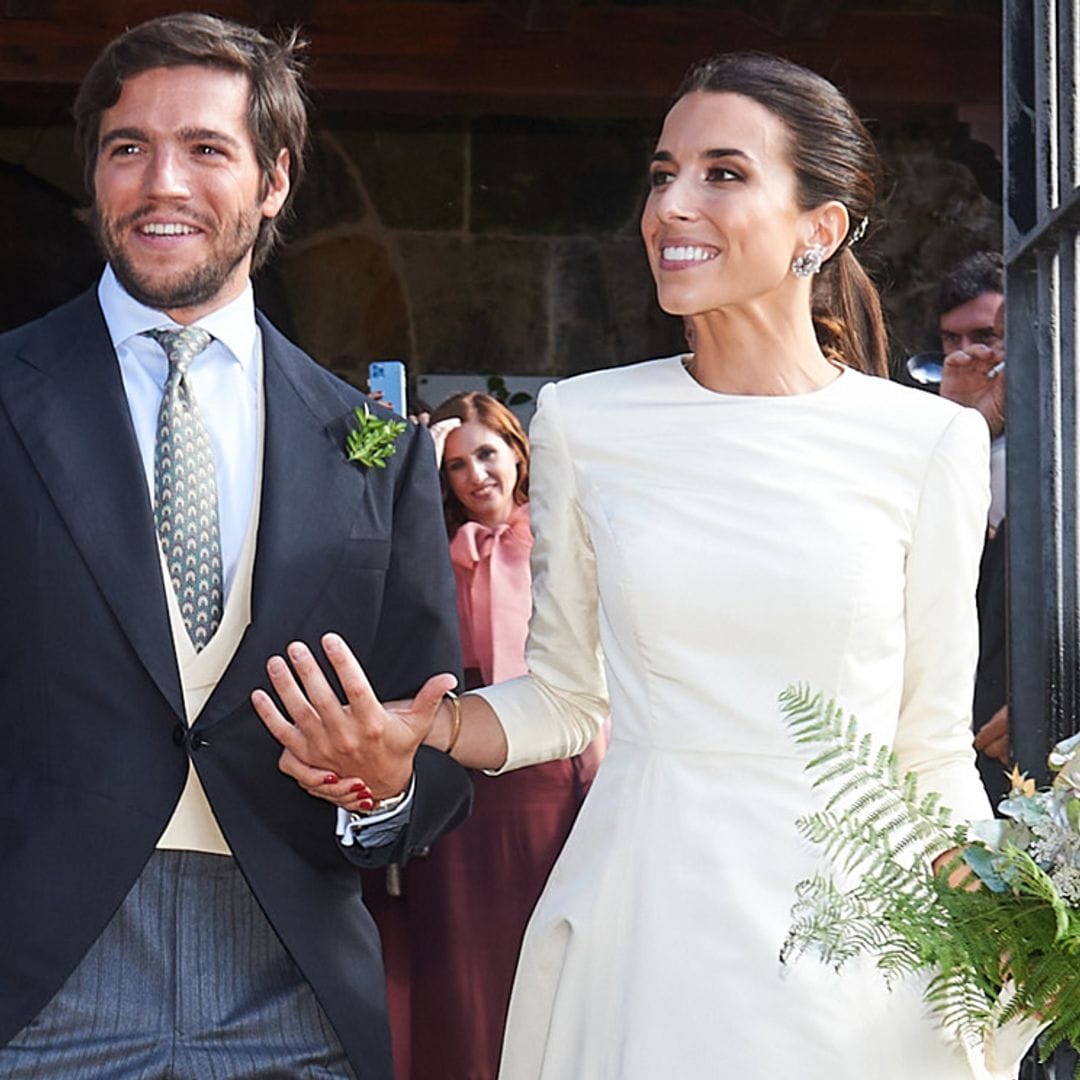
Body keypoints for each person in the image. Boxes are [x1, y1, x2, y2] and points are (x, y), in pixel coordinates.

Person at [255, 53, 1030, 1078]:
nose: (671, 205)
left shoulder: (928, 442)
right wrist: (425, 725)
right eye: (663, 174)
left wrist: (1008, 920)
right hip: (651, 920)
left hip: (860, 945)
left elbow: (929, 748)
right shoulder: (587, 421)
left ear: (820, 227)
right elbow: (567, 701)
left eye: (723, 173)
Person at [0, 13, 470, 1078]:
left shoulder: (377, 449)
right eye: (128, 147)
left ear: (274, 180)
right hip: (33, 983)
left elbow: (436, 735)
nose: (161, 182)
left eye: (206, 148)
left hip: (290, 989)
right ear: (95, 175)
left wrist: (386, 783)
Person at [368, 391, 603, 1079]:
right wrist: (407, 458)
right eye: (456, 464)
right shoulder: (429, 549)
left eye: (487, 454)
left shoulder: (564, 533)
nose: (476, 475)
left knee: (543, 944)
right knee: (462, 957)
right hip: (456, 770)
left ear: (518, 454)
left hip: (548, 773)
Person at [936, 253, 1009, 806]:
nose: (967, 355)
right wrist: (962, 427)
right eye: (951, 340)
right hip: (963, 744)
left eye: (987, 337)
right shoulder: (945, 439)